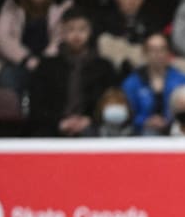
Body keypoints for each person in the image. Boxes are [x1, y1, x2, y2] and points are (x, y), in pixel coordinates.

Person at [26, 7, 118, 136]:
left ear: (90, 31)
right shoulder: (46, 66)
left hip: (93, 129)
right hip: (52, 129)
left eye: (82, 29)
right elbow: (36, 107)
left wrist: (90, 120)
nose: (76, 35)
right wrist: (60, 123)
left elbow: (111, 104)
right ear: (62, 32)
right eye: (70, 29)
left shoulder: (104, 67)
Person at [121, 33, 185, 135]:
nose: (158, 54)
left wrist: (169, 120)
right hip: (141, 132)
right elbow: (127, 114)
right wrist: (145, 121)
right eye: (153, 50)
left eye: (162, 49)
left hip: (176, 130)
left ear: (168, 53)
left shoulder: (182, 80)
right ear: (145, 53)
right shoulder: (132, 82)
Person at [95, 0, 166, 74]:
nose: (131, 0)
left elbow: (155, 39)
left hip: (140, 57)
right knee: (105, 40)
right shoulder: (104, 17)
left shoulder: (150, 19)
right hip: (113, 59)